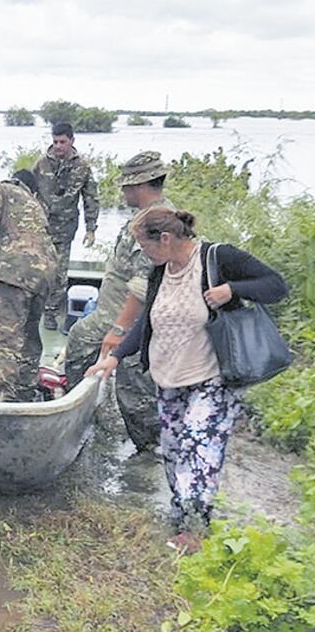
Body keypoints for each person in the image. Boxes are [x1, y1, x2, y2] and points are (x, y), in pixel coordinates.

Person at [86, 207, 287, 553]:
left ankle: (194, 531)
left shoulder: (217, 258)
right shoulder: (159, 271)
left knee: (199, 447)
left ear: (165, 239)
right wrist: (113, 358)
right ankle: (181, 519)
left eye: (144, 246)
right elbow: (146, 323)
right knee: (176, 453)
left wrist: (232, 290)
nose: (143, 253)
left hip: (211, 376)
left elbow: (276, 286)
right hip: (169, 379)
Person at [65, 151, 175, 450]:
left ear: (140, 185)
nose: (123, 191)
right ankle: (81, 409)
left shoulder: (155, 221)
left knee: (134, 388)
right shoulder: (148, 216)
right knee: (82, 346)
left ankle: (152, 450)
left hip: (130, 319)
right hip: (117, 313)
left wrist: (119, 329)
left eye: (127, 186)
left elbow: (142, 285)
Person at [0, 170, 57, 402]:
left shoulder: (2, 189)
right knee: (28, 332)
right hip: (46, 272)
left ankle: (1, 395)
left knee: (4, 335)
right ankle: (25, 388)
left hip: (16, 269)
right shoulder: (36, 205)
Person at [32, 122, 100, 331]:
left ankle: (52, 313)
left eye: (63, 142)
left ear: (71, 141)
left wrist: (91, 229)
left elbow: (91, 198)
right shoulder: (41, 164)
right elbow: (28, 193)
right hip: (40, 228)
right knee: (39, 272)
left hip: (65, 228)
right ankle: (34, 313)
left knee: (59, 274)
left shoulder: (82, 167)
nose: (59, 146)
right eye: (55, 142)